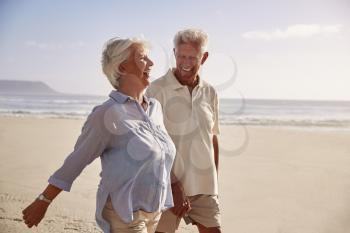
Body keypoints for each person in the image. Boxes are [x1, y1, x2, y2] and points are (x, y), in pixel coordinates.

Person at [22, 37, 176, 233]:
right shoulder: (107, 114)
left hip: (155, 211)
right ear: (122, 67)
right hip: (124, 213)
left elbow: (162, 156)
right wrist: (44, 200)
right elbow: (76, 161)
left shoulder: (155, 108)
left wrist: (177, 190)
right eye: (143, 58)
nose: (152, 63)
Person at [146, 29, 221, 233]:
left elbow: (212, 138)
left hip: (205, 188)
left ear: (203, 58)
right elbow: (152, 144)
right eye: (181, 56)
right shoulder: (156, 90)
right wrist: (173, 184)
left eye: (192, 57)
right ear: (174, 53)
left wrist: (214, 181)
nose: (186, 62)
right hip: (168, 187)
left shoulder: (210, 92)